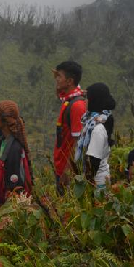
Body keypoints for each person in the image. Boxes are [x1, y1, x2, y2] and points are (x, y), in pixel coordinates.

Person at [0, 100, 33, 215]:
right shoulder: (1, 140)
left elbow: (14, 188)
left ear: (5, 120)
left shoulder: (14, 148)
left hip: (2, 208)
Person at [52, 61, 87, 195]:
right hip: (61, 166)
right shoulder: (68, 99)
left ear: (70, 81)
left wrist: (68, 171)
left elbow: (78, 142)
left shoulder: (77, 106)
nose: (56, 79)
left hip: (67, 170)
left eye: (59, 76)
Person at [76, 83, 116, 192]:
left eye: (87, 98)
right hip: (98, 180)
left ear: (95, 101)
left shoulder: (97, 129)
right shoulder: (93, 122)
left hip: (97, 184)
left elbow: (94, 161)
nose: (85, 101)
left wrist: (86, 184)